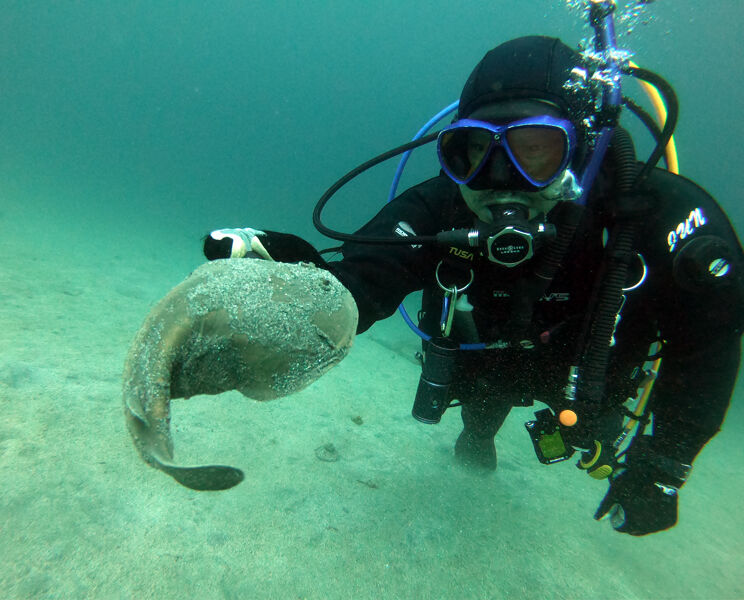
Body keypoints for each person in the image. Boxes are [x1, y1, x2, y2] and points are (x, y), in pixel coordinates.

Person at [204, 35, 744, 536]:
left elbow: (709, 341)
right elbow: (357, 283)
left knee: (590, 427)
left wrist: (663, 465)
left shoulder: (653, 213)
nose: (501, 178)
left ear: (580, 150)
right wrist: (297, 282)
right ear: (454, 154)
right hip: (485, 366)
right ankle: (479, 436)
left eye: (535, 149)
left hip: (590, 376)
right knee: (481, 416)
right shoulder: (437, 207)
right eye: (476, 150)